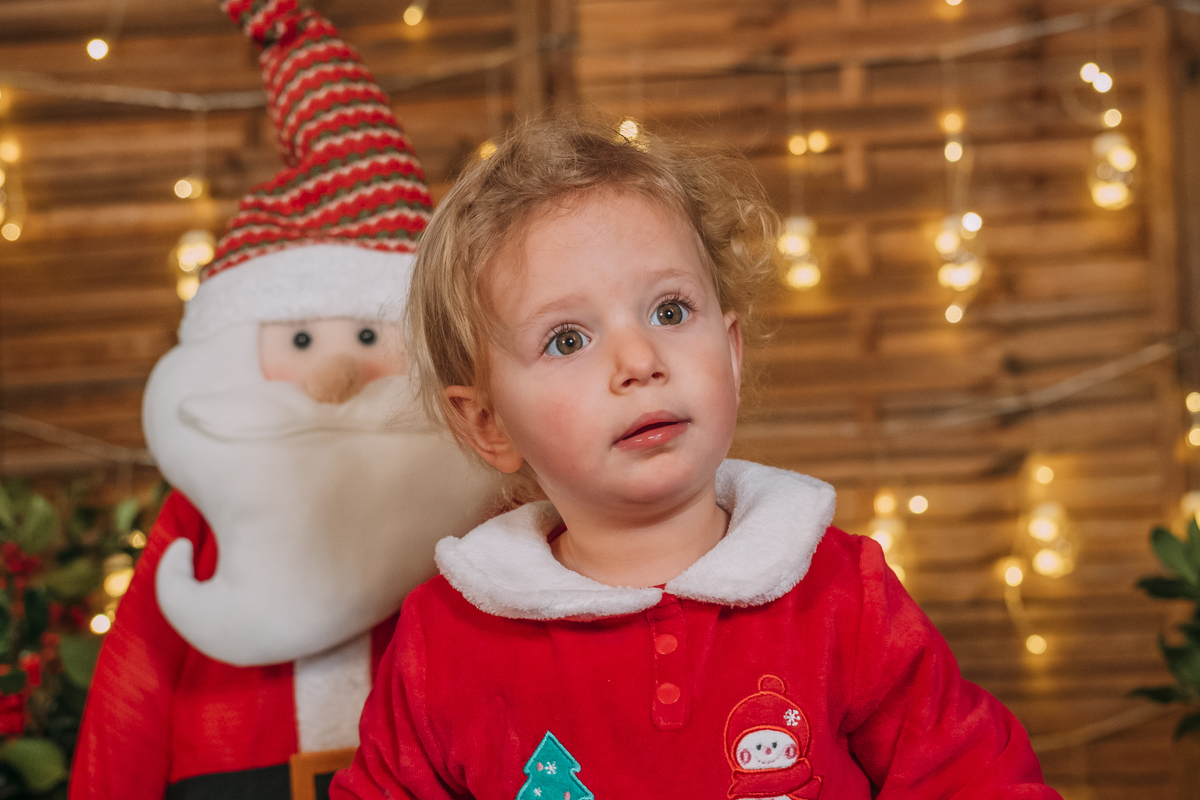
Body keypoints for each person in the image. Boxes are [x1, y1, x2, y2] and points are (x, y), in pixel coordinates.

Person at [330, 116, 1061, 799]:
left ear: (731, 353)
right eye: (567, 340)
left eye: (670, 311)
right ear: (488, 424)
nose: (640, 360)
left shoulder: (844, 596)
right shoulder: (447, 641)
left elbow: (976, 779)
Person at [70, 2, 495, 798]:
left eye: (368, 338)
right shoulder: (203, 512)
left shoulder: (476, 504)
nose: (335, 375)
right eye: (299, 341)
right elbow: (133, 684)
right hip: (229, 771)